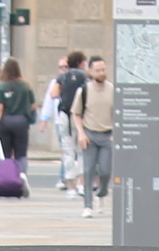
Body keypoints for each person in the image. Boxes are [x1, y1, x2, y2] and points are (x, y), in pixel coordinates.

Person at [72, 54, 114, 214]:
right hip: (90, 134)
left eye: (103, 69)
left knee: (105, 170)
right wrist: (81, 133)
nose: (101, 73)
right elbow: (76, 114)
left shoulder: (112, 89)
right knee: (88, 170)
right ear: (91, 71)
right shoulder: (84, 91)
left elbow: (119, 113)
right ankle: (87, 205)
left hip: (107, 134)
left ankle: (102, 192)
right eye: (98, 70)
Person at [0, 56, 36, 183]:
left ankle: (8, 178)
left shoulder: (1, 86)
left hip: (5, 122)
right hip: (21, 122)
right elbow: (33, 105)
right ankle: (22, 175)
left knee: (5, 153)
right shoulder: (26, 86)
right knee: (21, 153)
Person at [48, 50, 87, 193]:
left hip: (64, 114)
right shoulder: (85, 77)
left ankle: (70, 183)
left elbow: (53, 94)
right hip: (80, 115)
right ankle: (81, 183)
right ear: (80, 63)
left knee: (68, 150)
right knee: (82, 150)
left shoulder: (62, 76)